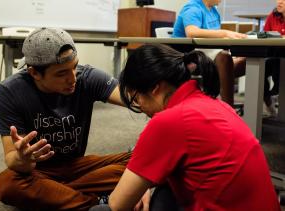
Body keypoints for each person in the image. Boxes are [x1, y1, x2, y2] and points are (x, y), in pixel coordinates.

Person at [108, 44, 280, 210]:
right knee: (165, 189)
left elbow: (117, 204)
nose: (142, 109)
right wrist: (144, 181)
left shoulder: (168, 122)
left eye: (137, 99)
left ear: (154, 88)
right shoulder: (215, 104)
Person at [0, 28, 131, 210]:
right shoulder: (9, 92)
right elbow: (12, 159)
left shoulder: (87, 77)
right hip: (38, 172)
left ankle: (57, 195)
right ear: (34, 73)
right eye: (61, 73)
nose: (73, 78)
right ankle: (97, 202)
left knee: (142, 159)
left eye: (74, 67)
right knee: (6, 184)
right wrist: (23, 159)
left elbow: (135, 99)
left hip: (77, 166)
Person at [172, 0, 247, 106]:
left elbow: (214, 41)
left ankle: (216, 100)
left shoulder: (213, 11)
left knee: (246, 62)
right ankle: (228, 110)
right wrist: (225, 33)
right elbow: (191, 32)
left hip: (206, 53)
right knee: (224, 59)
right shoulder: (193, 8)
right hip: (188, 56)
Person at [262, 0, 285, 116]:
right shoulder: (273, 16)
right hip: (274, 55)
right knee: (260, 69)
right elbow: (265, 36)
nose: (279, 1)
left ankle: (276, 90)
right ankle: (269, 101)